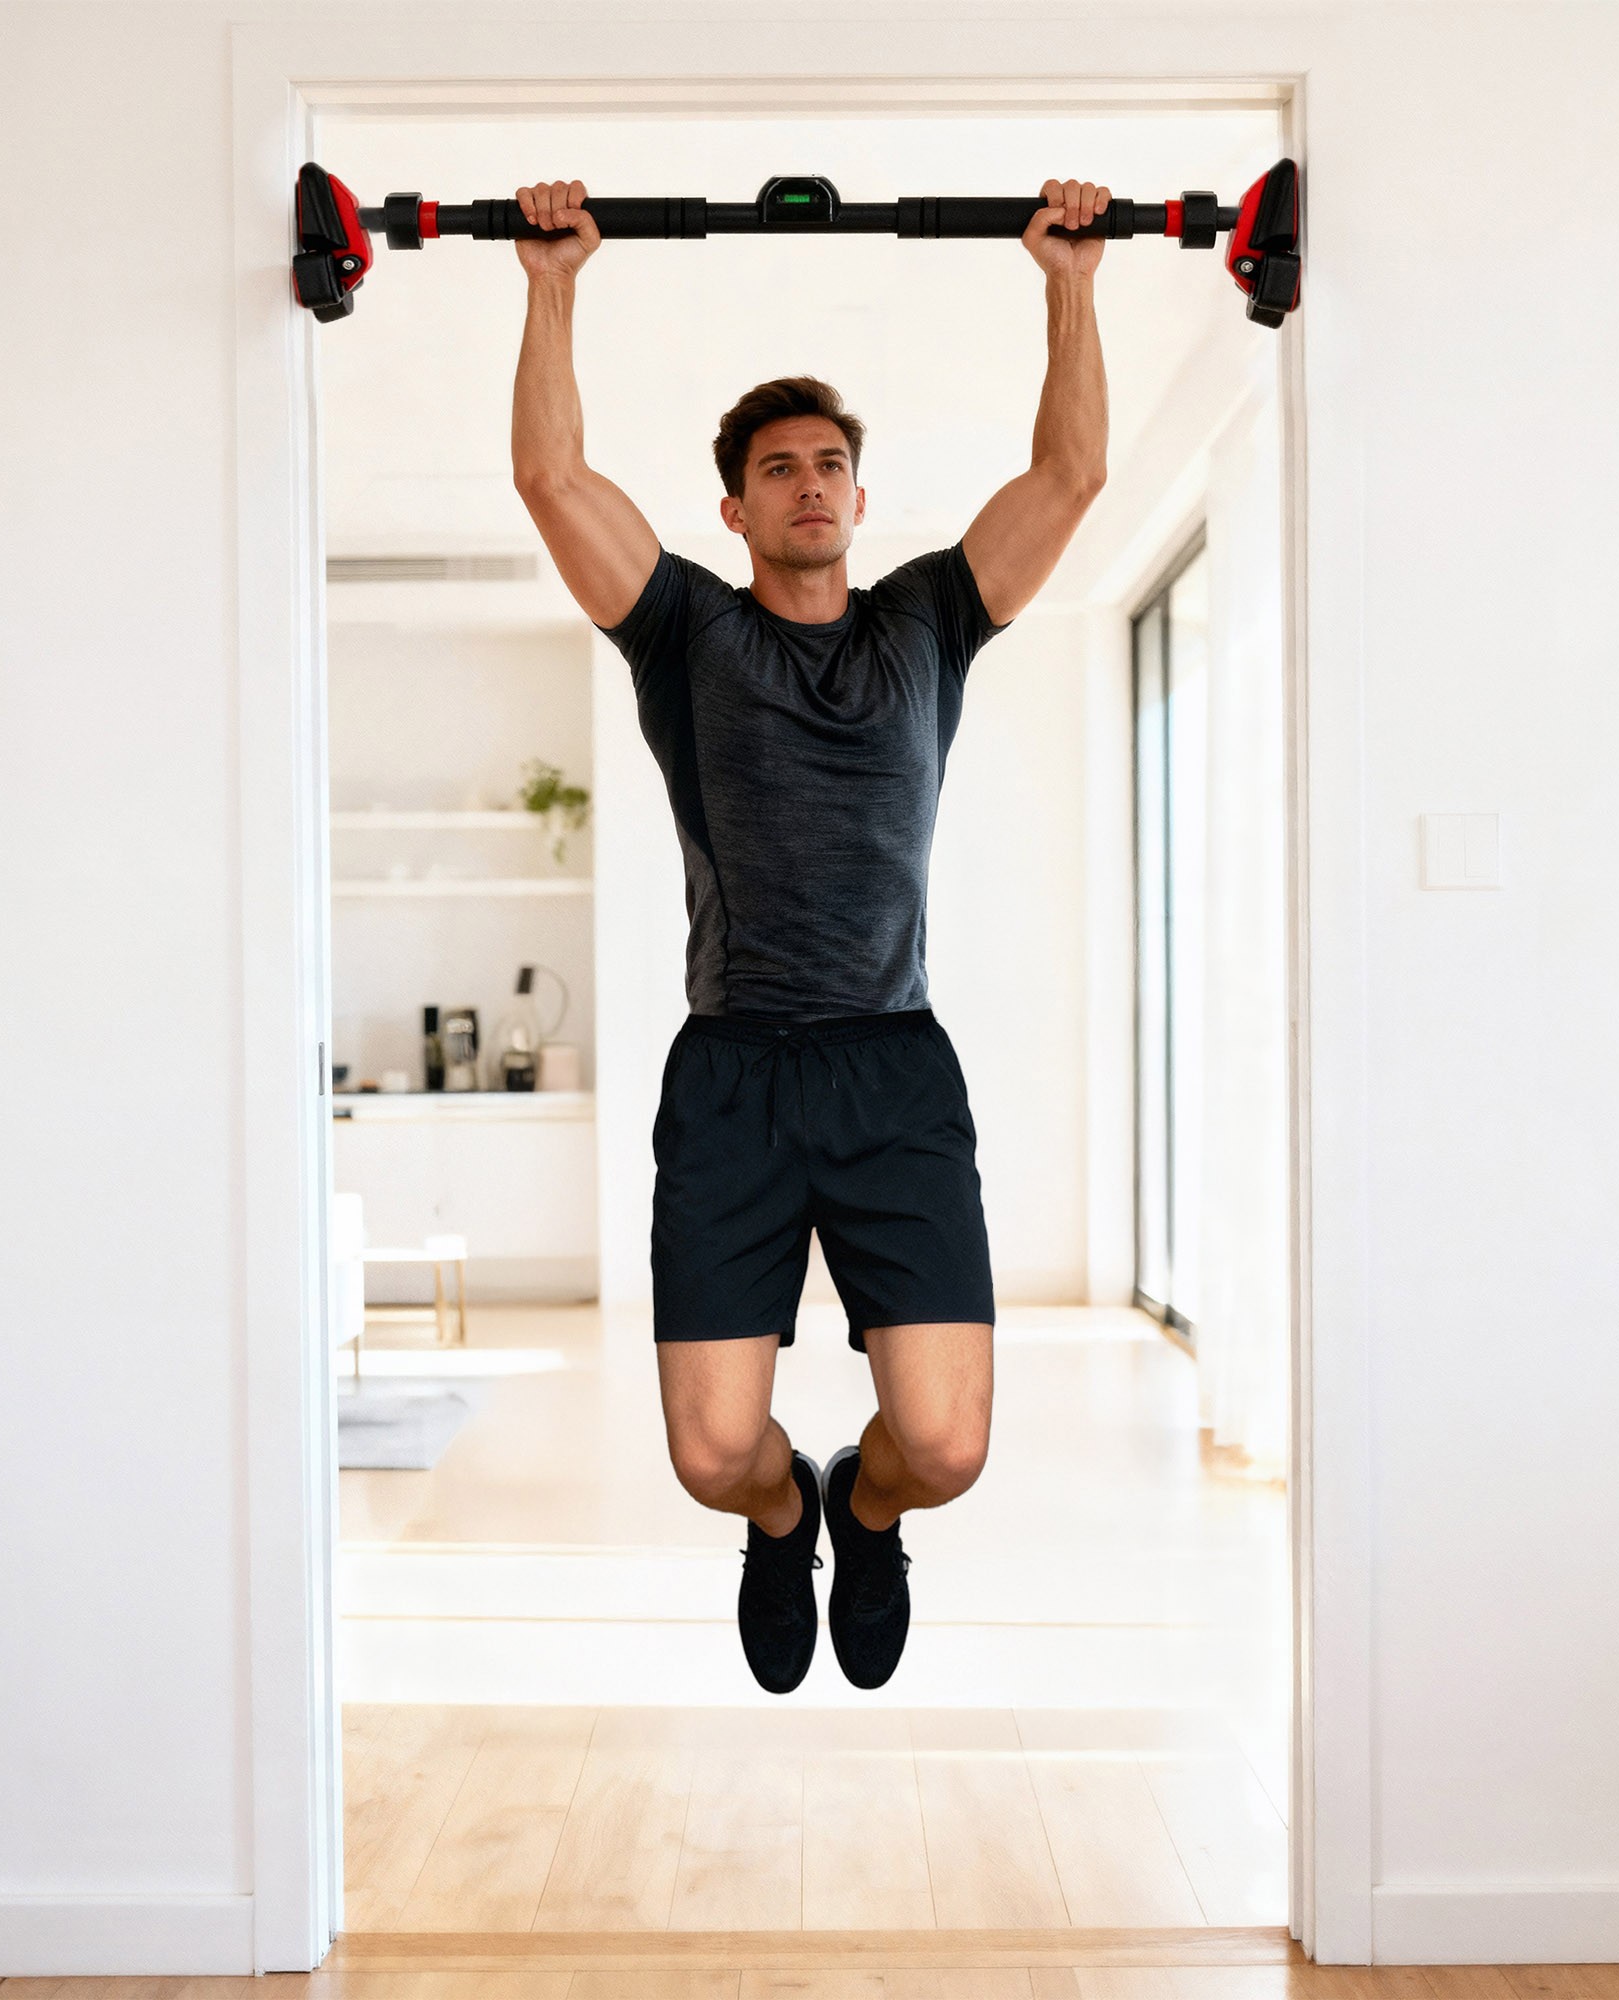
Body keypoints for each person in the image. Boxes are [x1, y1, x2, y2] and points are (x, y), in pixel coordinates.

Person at [509, 175, 1110, 1693]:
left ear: (858, 490)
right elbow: (552, 478)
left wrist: (1071, 279)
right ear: (736, 507)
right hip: (734, 1076)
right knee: (714, 1455)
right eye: (777, 469)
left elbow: (1072, 473)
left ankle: (865, 1509)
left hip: (894, 1069)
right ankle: (785, 1520)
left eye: (830, 464)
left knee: (946, 1447)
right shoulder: (689, 633)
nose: (809, 485)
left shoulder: (927, 623)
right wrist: (553, 281)